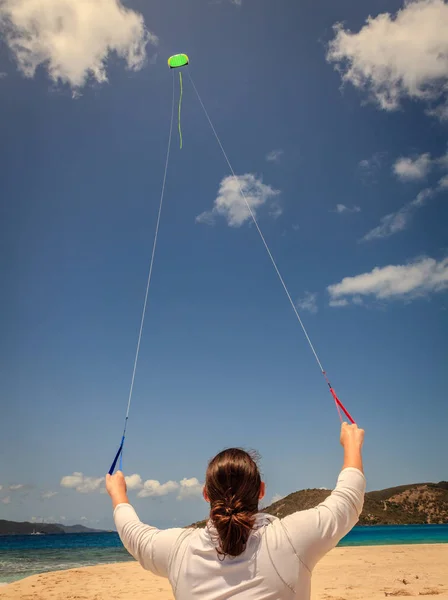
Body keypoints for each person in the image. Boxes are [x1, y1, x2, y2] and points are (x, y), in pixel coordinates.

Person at [106, 421, 365, 599]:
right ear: (261, 490)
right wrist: (351, 445)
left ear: (206, 494)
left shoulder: (178, 550)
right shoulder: (290, 539)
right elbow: (348, 500)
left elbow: (133, 534)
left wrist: (119, 495)